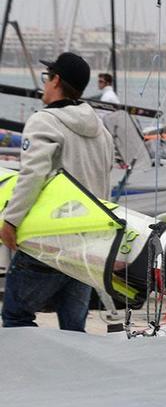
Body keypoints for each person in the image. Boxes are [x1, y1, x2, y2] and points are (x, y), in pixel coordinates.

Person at [1, 52, 114, 331]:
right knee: (74, 328)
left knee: (16, 317)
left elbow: (32, 175)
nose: (45, 84)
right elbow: (105, 183)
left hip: (49, 241)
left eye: (47, 77)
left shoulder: (44, 121)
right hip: (87, 245)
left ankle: (34, 374)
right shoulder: (100, 131)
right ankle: (71, 374)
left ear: (56, 80)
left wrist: (11, 220)